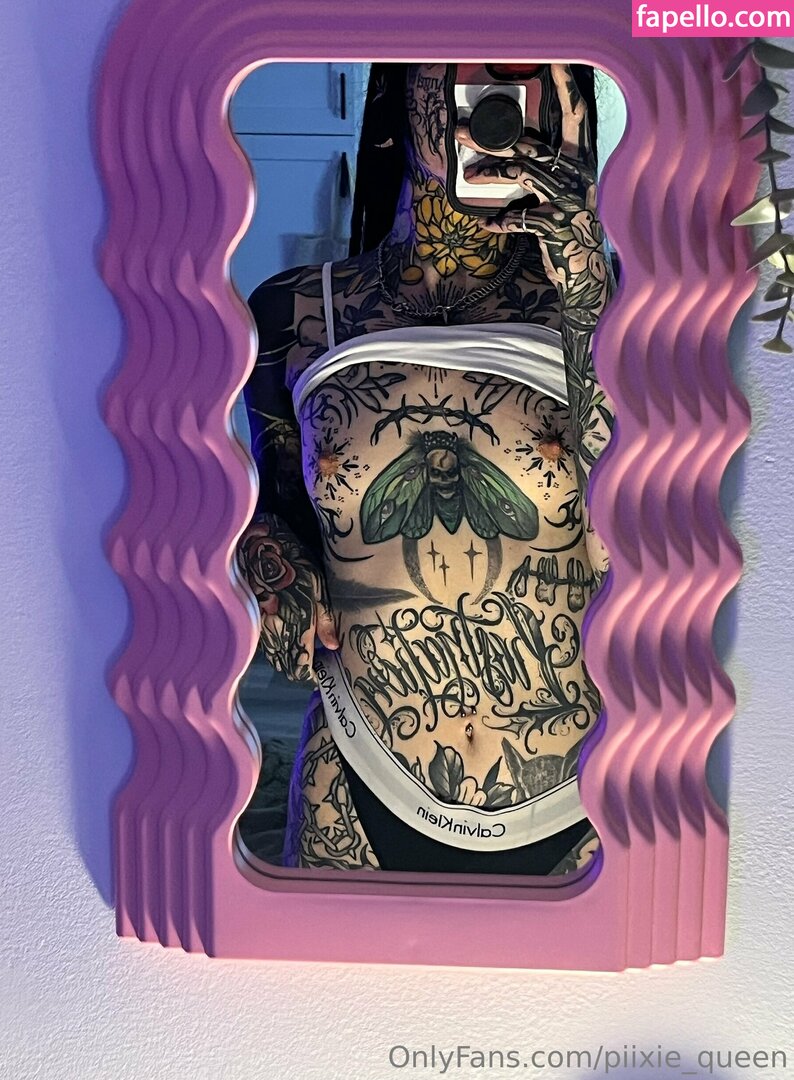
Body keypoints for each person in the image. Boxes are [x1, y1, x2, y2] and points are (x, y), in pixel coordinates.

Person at [237, 62, 616, 874]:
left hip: (586, 792)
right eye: (475, 67)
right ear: (403, 81)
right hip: (359, 775)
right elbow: (267, 507)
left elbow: (646, 526)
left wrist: (590, 299)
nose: (502, 95)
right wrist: (263, 558)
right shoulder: (295, 316)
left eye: (533, 74)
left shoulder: (615, 308)